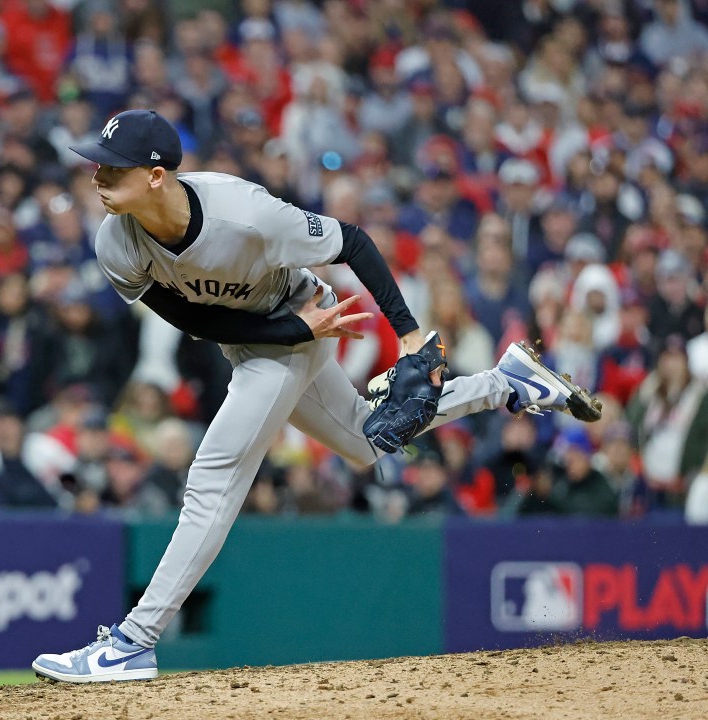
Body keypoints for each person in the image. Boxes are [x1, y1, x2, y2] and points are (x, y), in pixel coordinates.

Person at [31, 109, 601, 683]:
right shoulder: (116, 242)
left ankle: (134, 641)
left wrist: (406, 334)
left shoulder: (246, 213)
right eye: (97, 166)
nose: (98, 177)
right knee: (366, 442)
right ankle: (508, 382)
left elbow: (352, 241)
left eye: (113, 168)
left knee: (211, 480)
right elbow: (197, 322)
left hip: (295, 312)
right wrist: (297, 333)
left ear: (156, 175)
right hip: (276, 332)